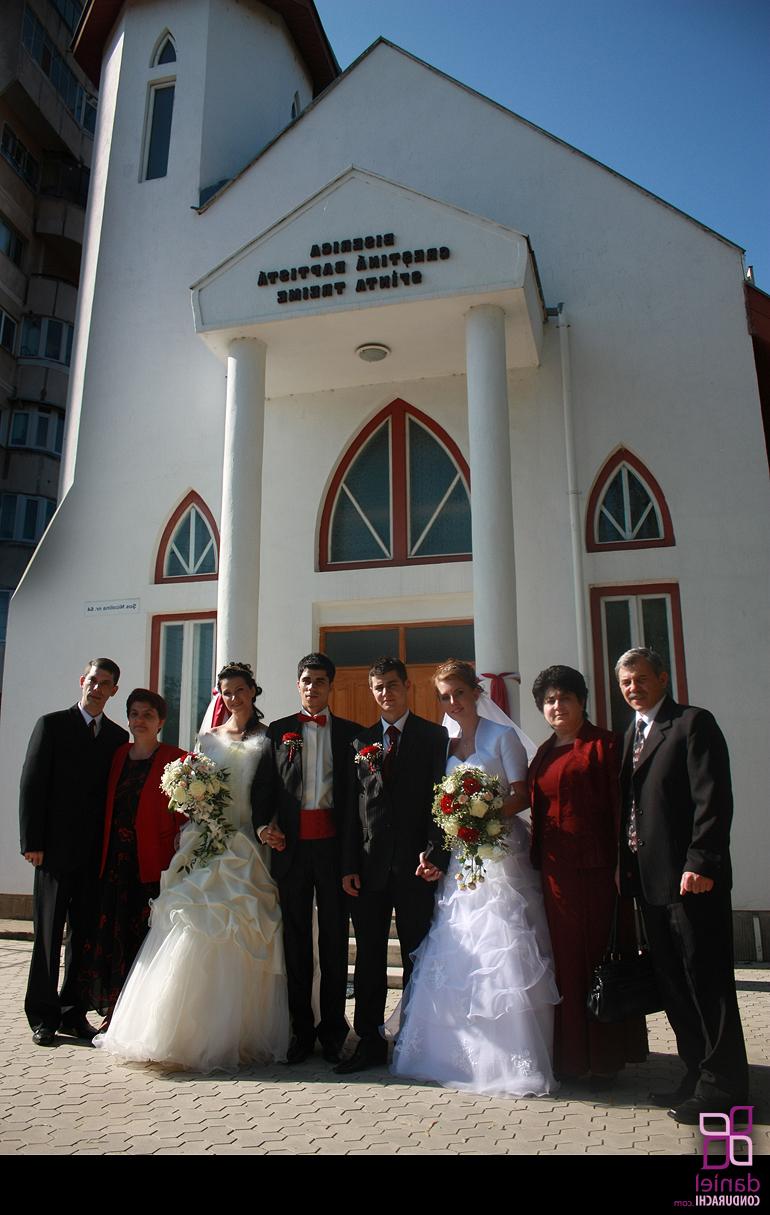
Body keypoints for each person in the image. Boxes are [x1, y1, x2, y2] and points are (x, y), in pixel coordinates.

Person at [96, 662, 289, 1071]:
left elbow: (273, 791)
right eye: (225, 692)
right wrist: (190, 799)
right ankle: (175, 1029)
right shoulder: (208, 738)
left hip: (247, 844)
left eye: (240, 690)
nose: (233, 698)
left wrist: (266, 826)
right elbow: (194, 787)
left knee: (241, 923)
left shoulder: (269, 738)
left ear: (254, 691)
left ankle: (234, 1031)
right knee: (188, 916)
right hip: (206, 841)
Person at [388, 659, 559, 1096]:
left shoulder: (502, 737)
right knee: (458, 947)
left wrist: (479, 817)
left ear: (475, 693)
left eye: (458, 693)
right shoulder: (441, 743)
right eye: (444, 696)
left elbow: (521, 795)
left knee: (501, 945)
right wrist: (451, 831)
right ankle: (454, 1052)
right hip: (463, 859)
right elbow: (437, 805)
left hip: (500, 852)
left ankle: (511, 1054)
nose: (452, 702)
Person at [615, 647, 749, 1123]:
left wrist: (703, 861)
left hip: (693, 882)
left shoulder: (693, 724)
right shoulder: (631, 732)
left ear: (663, 678)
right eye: (626, 682)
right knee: (674, 985)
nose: (633, 688)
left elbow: (712, 798)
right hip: (651, 884)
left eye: (641, 679)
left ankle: (726, 1086)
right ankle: (696, 1074)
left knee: (706, 983)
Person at [528, 664, 647, 1084]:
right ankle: (573, 1057)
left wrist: (622, 867)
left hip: (597, 874)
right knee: (565, 965)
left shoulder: (605, 746)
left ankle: (606, 1058)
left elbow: (622, 810)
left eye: (564, 698)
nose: (557, 706)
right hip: (555, 876)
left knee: (598, 959)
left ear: (582, 702)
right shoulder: (543, 752)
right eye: (549, 701)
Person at [337, 656, 449, 1075]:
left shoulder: (434, 738)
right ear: (373, 692)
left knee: (417, 954)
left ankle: (417, 1039)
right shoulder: (360, 743)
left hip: (417, 869)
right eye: (379, 687)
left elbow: (443, 802)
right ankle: (368, 1043)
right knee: (368, 959)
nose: (386, 693)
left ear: (406, 687)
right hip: (369, 870)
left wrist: (436, 852)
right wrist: (349, 864)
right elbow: (353, 811)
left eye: (392, 685)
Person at [19, 659, 128, 1045]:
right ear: (82, 681)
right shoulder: (52, 725)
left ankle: (72, 1012)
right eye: (93, 680)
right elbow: (32, 785)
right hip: (51, 854)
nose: (97, 688)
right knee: (47, 936)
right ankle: (43, 1016)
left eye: (106, 684)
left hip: (93, 857)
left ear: (114, 691)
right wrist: (32, 843)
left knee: (82, 937)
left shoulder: (117, 738)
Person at [263, 653, 360, 1064]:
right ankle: (301, 1032)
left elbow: (359, 805)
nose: (312, 687)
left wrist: (353, 859)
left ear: (330, 685)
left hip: (334, 851)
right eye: (306, 680)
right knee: (296, 942)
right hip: (292, 851)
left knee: (335, 941)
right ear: (297, 684)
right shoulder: (279, 731)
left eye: (320, 680)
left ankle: (334, 1032)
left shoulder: (354, 735)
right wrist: (262, 826)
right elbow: (263, 789)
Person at [79, 689, 186, 1028]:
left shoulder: (177, 758)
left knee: (144, 938)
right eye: (135, 714)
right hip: (114, 863)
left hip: (151, 862)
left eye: (148, 715)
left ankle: (144, 1016)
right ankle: (115, 1012)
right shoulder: (118, 755)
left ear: (161, 722)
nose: (140, 721)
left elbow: (185, 815)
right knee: (114, 937)